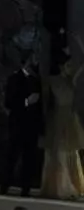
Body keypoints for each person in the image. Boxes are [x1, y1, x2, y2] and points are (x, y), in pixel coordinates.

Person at [40, 33, 84, 199]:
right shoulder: (53, 81)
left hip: (70, 120)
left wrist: (79, 44)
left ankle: (72, 185)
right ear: (61, 66)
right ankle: (59, 187)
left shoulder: (71, 81)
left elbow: (82, 66)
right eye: (68, 65)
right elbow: (46, 103)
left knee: (71, 154)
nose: (70, 68)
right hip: (57, 120)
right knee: (59, 154)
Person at [0, 52, 43, 196]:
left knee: (29, 158)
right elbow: (9, 102)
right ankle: (5, 185)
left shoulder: (37, 80)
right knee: (12, 156)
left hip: (32, 126)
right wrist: (26, 101)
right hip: (17, 125)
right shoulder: (14, 79)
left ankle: (26, 188)